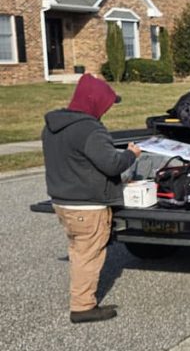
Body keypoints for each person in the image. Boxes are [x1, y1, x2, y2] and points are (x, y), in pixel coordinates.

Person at [42, 73, 141, 324]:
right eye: (106, 104)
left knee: (79, 252)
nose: (105, 111)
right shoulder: (90, 129)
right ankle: (83, 306)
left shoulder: (52, 127)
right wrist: (131, 154)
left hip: (63, 202)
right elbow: (111, 164)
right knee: (89, 254)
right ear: (94, 101)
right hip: (88, 205)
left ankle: (80, 297)